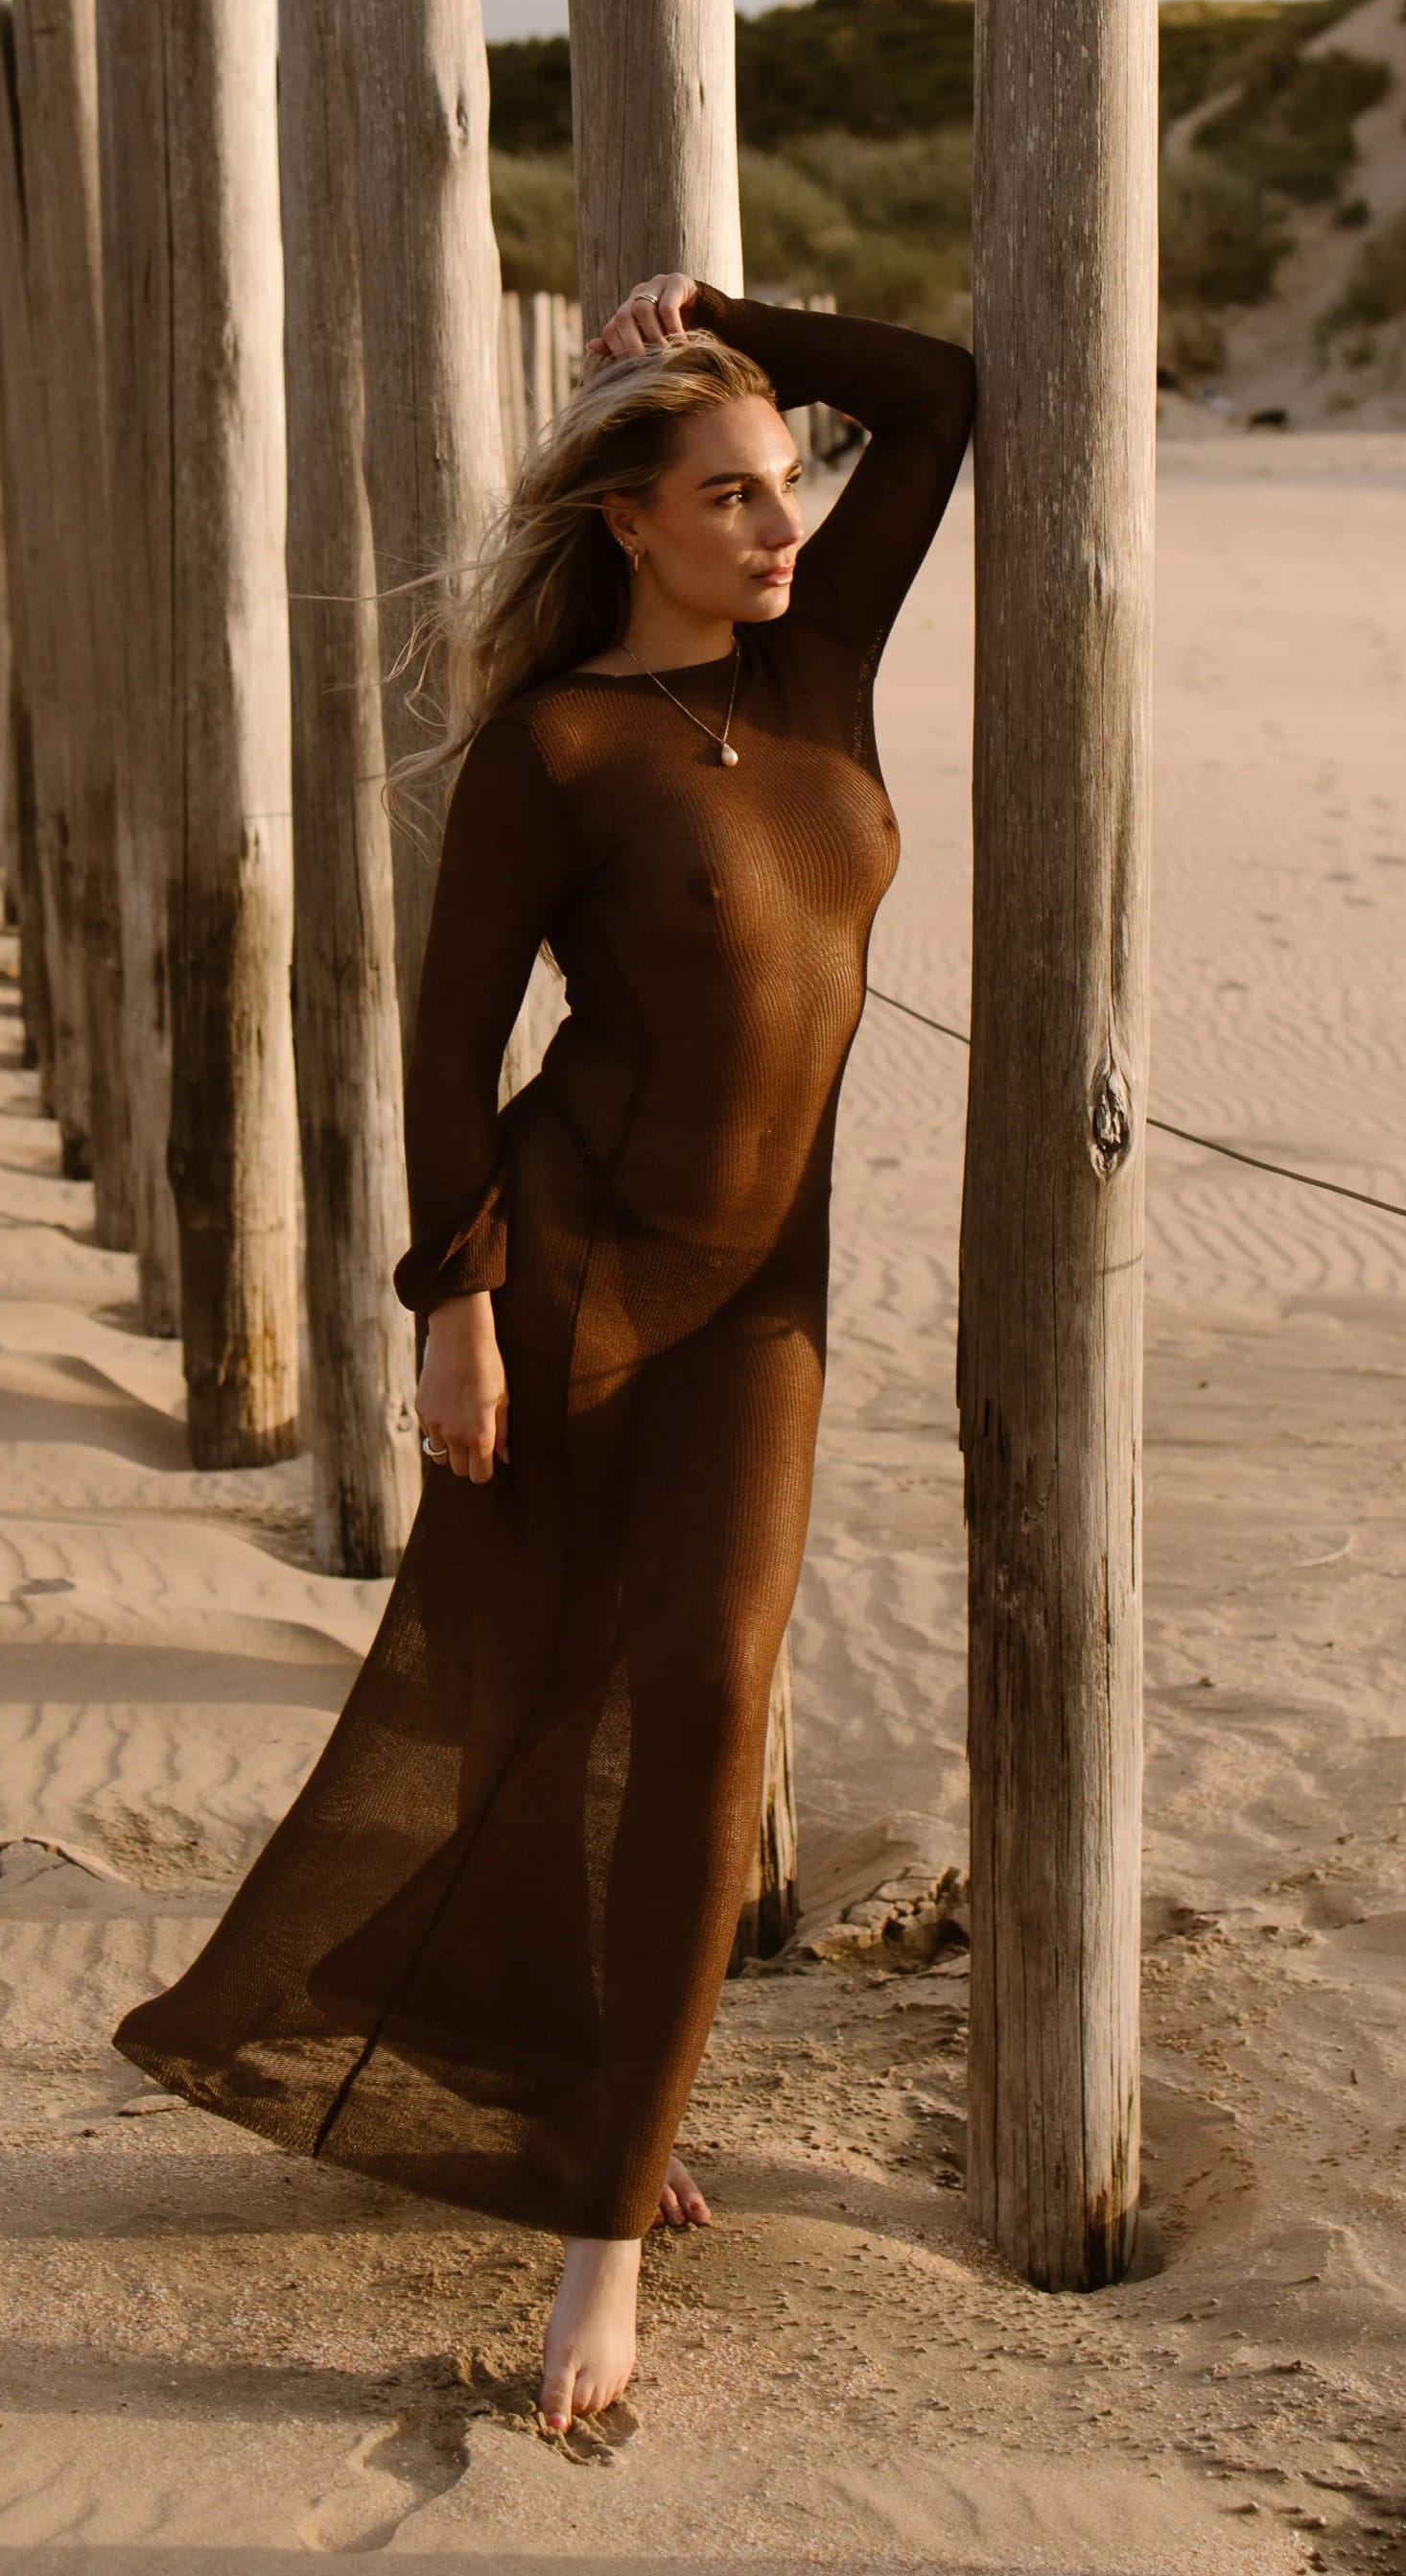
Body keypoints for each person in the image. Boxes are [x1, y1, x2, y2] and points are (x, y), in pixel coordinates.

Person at [115, 269, 974, 2432]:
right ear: (625, 523)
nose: (778, 525)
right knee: (531, 1693)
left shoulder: (820, 666)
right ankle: (599, 2173)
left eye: (783, 487)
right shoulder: (555, 747)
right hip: (578, 1268)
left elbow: (941, 395)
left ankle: (596, 2167)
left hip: (759, 1295)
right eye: (728, 496)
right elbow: (443, 1036)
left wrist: (723, 310)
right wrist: (451, 1308)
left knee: (703, 1704)